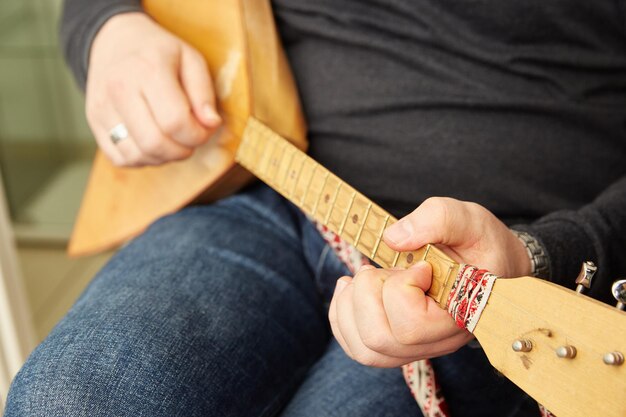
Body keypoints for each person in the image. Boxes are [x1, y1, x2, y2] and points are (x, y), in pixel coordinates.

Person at [5, 0, 626, 416]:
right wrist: (107, 28)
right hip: (252, 191)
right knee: (64, 401)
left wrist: (549, 251)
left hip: (489, 269)